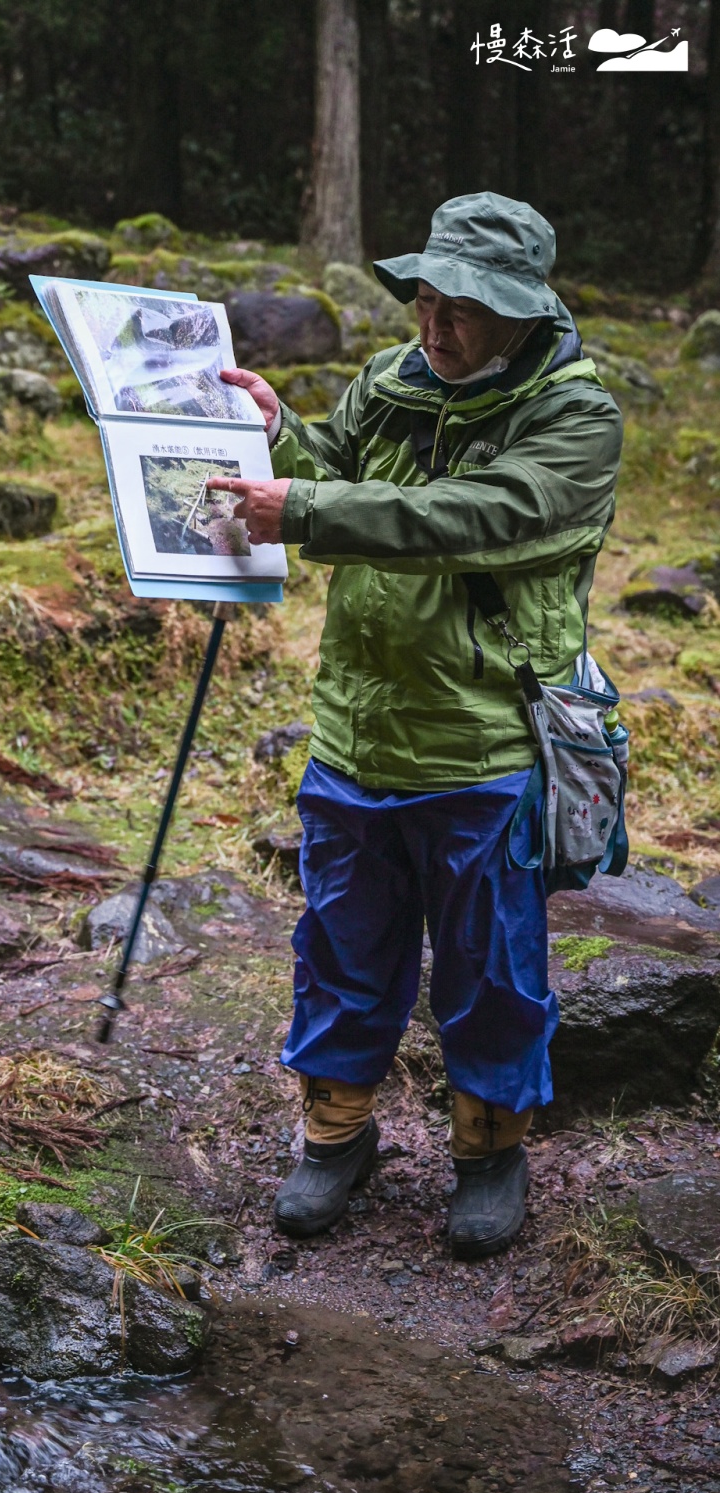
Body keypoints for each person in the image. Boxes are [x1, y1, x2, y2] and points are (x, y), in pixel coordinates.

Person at [207, 191, 623, 1257]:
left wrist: (299, 507)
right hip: (355, 731)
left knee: (489, 965)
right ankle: (335, 1136)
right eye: (426, 300)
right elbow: (337, 470)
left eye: (466, 310)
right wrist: (276, 435)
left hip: (483, 744)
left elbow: (477, 518)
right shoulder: (392, 381)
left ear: (524, 312)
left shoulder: (575, 417)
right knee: (342, 943)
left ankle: (490, 1151)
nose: (436, 328)